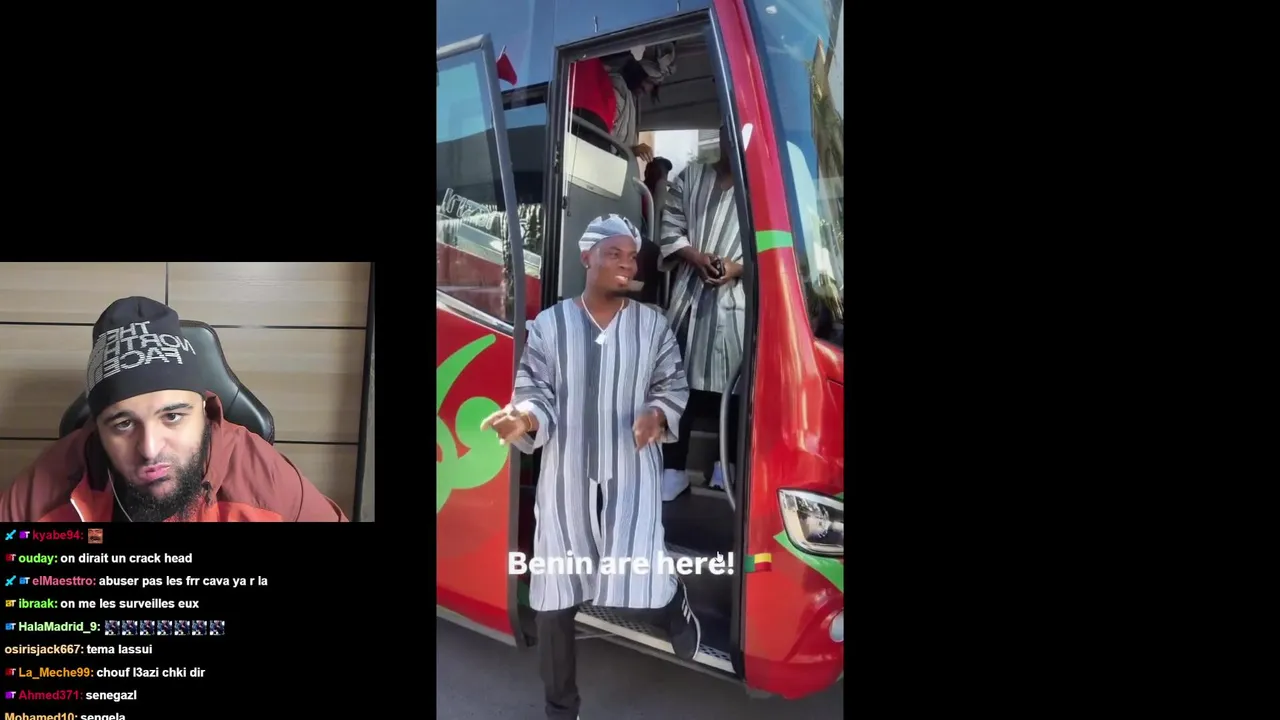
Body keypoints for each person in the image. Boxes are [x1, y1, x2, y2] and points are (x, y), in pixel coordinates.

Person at [480, 214, 699, 719]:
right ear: (587, 257)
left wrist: (657, 413)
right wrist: (523, 418)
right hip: (567, 475)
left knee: (639, 572)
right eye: (614, 253)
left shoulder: (652, 326)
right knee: (554, 595)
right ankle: (561, 707)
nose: (627, 264)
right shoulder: (550, 325)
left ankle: (673, 606)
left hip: (631, 471)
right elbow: (534, 390)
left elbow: (671, 384)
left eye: (632, 257)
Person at [0, 297, 349, 522]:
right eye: (123, 424)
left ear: (204, 410)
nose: (150, 449)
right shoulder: (47, 485)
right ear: (98, 427)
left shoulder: (265, 480)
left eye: (172, 416)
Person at [657, 126, 745, 491]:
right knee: (679, 384)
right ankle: (673, 468)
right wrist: (696, 257)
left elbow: (769, 247)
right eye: (727, 133)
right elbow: (669, 228)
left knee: (736, 388)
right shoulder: (690, 176)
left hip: (737, 302)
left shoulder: (758, 185)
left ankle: (726, 466)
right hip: (688, 298)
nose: (732, 141)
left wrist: (735, 268)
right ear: (722, 135)